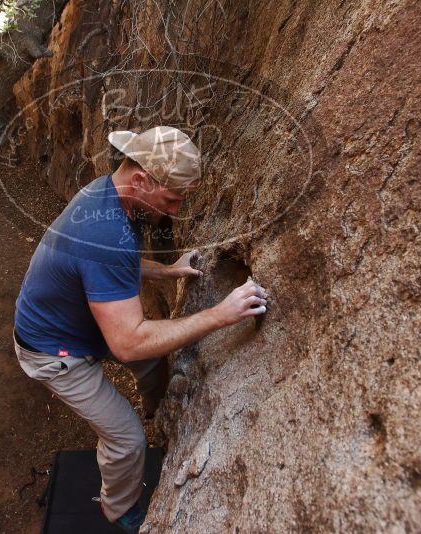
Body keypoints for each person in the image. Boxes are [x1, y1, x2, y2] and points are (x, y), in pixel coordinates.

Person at [13, 126, 268, 533]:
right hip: (52, 352)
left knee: (153, 362)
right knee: (127, 440)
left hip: (74, 318)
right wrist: (221, 314)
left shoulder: (108, 196)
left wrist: (168, 271)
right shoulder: (103, 231)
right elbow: (128, 343)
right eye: (171, 198)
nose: (175, 209)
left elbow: (116, 265)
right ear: (142, 179)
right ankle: (118, 510)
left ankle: (156, 410)